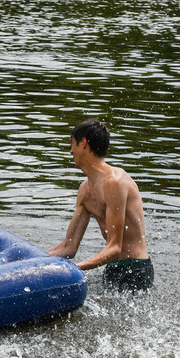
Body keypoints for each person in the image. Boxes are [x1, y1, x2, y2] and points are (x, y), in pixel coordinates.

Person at [48, 119, 153, 292]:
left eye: (72, 144)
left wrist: (77, 268)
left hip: (136, 269)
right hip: (112, 268)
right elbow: (69, 247)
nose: (70, 151)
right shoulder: (84, 190)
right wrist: (34, 259)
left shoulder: (115, 182)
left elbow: (115, 247)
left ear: (83, 143)